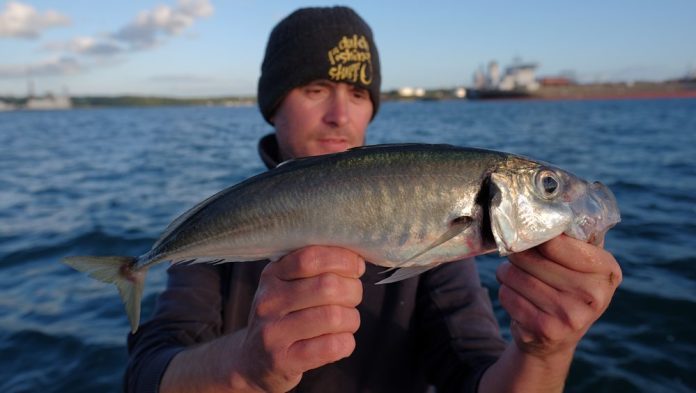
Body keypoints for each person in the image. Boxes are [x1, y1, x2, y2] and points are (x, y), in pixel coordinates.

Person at [125, 6, 622, 393]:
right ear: (273, 107)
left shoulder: (445, 255)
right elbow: (146, 372)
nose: (340, 115)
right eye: (316, 88)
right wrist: (246, 368)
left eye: (359, 95)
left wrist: (543, 354)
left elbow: (473, 372)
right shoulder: (220, 228)